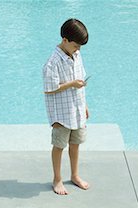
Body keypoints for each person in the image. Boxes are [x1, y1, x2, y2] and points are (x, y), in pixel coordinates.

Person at [42, 18, 90, 195]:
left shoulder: (76, 55)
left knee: (76, 143)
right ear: (65, 40)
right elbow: (49, 89)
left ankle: (75, 175)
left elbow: (81, 81)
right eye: (76, 46)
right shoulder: (52, 63)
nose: (78, 49)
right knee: (59, 146)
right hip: (61, 114)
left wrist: (84, 105)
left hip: (77, 110)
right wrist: (71, 84)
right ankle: (57, 179)